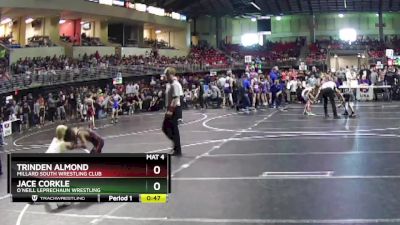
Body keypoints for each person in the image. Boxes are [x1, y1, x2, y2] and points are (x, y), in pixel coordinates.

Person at [162, 67, 182, 156]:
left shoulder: (175, 84)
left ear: (171, 75)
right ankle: (176, 146)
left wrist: (170, 111)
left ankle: (177, 149)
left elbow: (176, 99)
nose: (165, 77)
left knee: (171, 129)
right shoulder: (170, 84)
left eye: (166, 75)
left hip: (174, 109)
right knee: (167, 128)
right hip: (170, 108)